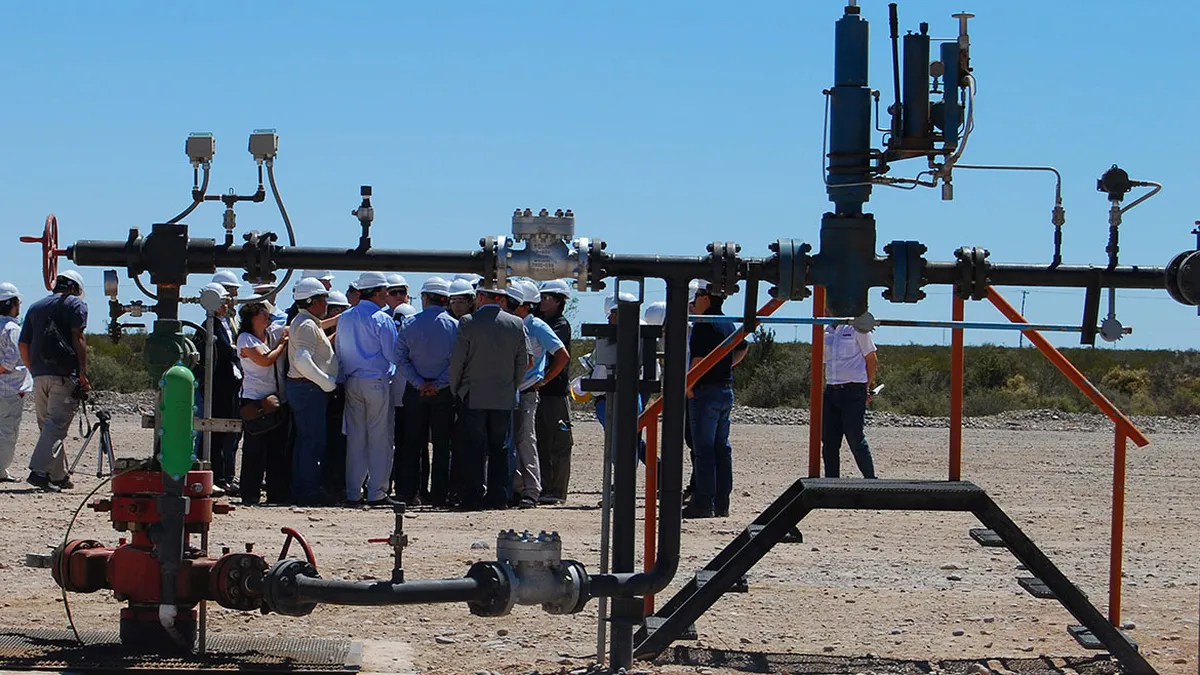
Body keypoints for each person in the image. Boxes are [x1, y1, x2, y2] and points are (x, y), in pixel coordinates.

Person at [449, 283, 529, 511]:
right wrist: (512, 385)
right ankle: (498, 497)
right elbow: (522, 362)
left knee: (474, 447)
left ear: (481, 296)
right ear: (501, 299)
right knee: (500, 448)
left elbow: (458, 362)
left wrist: (456, 389)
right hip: (503, 395)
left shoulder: (468, 322)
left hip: (473, 394)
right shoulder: (516, 323)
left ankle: (473, 496)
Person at [19, 270, 89, 491]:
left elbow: (24, 344)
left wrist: (33, 370)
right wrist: (83, 373)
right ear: (76, 288)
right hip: (64, 374)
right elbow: (78, 337)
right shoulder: (76, 305)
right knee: (56, 426)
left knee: (47, 426)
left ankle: (58, 476)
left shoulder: (35, 307)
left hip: (39, 374)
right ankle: (39, 471)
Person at [685, 280, 749, 519]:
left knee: (703, 450)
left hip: (705, 392)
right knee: (722, 448)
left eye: (696, 297)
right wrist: (724, 367)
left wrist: (688, 385)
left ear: (705, 298)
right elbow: (742, 348)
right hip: (725, 389)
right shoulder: (727, 322)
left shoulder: (704, 324)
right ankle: (722, 503)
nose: (692, 303)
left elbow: (698, 360)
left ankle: (703, 502)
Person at [336, 272, 399, 507]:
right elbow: (392, 354)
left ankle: (353, 491)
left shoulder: (345, 317)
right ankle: (377, 492)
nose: (387, 296)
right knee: (380, 438)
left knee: (356, 438)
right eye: (385, 292)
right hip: (377, 382)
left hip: (352, 381)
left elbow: (340, 353)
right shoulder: (382, 319)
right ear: (376, 292)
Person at [395, 277, 457, 506]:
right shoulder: (455, 326)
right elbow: (457, 362)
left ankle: (409, 492)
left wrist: (419, 382)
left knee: (412, 443)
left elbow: (400, 358)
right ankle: (439, 495)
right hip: (443, 393)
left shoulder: (409, 324)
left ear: (424, 298)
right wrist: (438, 384)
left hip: (415, 391)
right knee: (442, 444)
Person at [507, 280, 568, 509]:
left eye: (514, 303)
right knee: (511, 440)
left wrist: (544, 380)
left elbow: (562, 354)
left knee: (525, 439)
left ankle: (532, 489)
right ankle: (516, 487)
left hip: (527, 390)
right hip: (510, 390)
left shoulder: (538, 326)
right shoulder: (511, 325)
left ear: (526, 306)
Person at [286, 278, 338, 506]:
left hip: (305, 387)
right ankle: (308, 490)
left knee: (307, 439)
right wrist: (327, 382)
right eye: (322, 298)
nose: (326, 302)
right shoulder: (307, 325)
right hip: (308, 387)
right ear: (311, 301)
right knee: (312, 440)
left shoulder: (306, 322)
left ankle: (304, 486)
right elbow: (303, 359)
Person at [235, 302, 290, 506]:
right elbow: (265, 360)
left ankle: (276, 493)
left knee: (276, 449)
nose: (268, 317)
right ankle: (250, 493)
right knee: (254, 449)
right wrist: (282, 346)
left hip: (275, 398)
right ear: (254, 317)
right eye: (265, 314)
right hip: (255, 399)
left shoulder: (268, 335)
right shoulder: (245, 338)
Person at [192, 282, 243, 496]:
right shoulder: (209, 327)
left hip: (229, 384)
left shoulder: (224, 324)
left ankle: (223, 476)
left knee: (226, 432)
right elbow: (219, 353)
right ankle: (212, 474)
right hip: (218, 386)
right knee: (213, 431)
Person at [822, 317, 878, 479]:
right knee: (829, 441)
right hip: (832, 389)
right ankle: (831, 482)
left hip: (853, 390)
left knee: (855, 438)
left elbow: (871, 360)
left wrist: (864, 388)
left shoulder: (857, 328)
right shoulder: (826, 331)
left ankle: (871, 481)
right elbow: (825, 361)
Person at [534, 279, 575, 505]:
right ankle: (543, 486)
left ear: (559, 301)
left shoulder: (560, 325)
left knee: (559, 441)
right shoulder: (538, 321)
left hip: (555, 392)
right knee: (540, 440)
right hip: (540, 391)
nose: (542, 301)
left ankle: (557, 490)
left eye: (547, 297)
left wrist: (545, 378)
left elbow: (552, 354)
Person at [322, 291, 352, 497]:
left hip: (344, 390)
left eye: (342, 310)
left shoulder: (351, 334)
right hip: (324, 391)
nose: (338, 314)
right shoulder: (318, 335)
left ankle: (339, 483)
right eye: (334, 310)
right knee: (325, 440)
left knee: (342, 441)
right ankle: (326, 483)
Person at [0, 283, 31, 482]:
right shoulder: (12, 328)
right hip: (10, 389)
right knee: (7, 431)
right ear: (11, 303)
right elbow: (10, 360)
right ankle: (1, 470)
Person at [389, 301, 417, 498]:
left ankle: (406, 489)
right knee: (404, 449)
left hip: (405, 401)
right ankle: (404, 490)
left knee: (406, 449)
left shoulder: (395, 340)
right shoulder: (414, 341)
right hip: (401, 402)